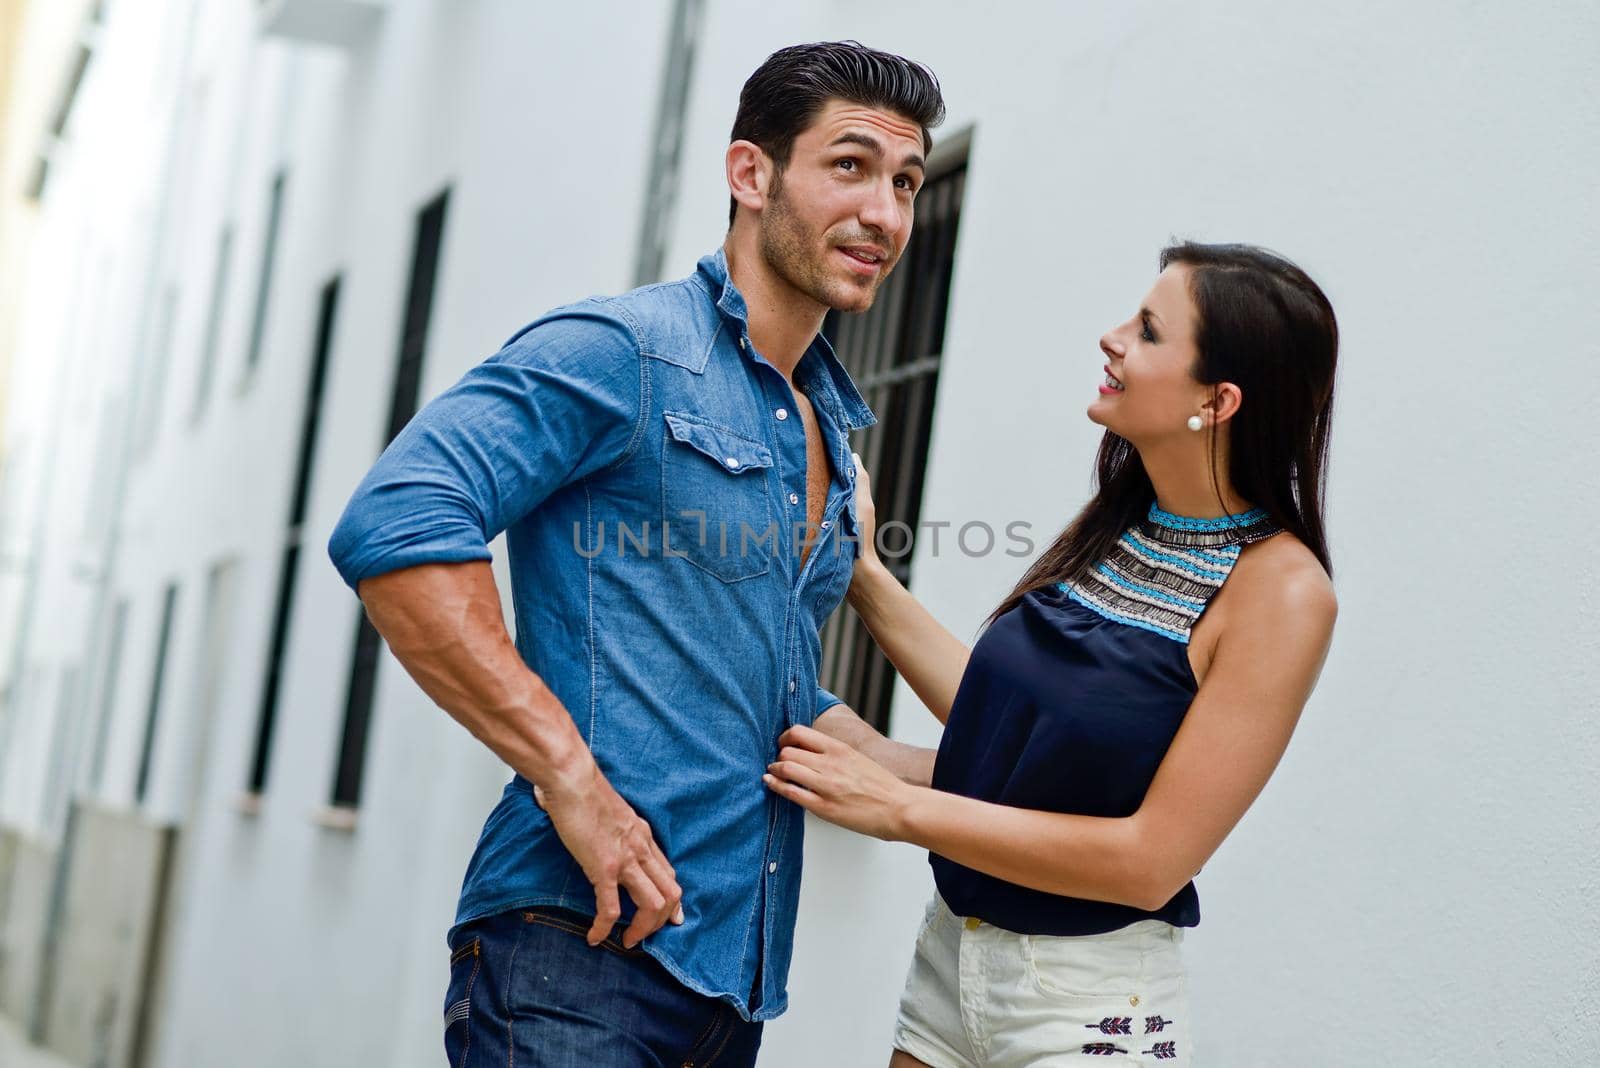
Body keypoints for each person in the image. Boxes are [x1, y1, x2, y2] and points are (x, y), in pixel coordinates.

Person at [326, 40, 944, 1068]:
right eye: (849, 166)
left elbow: (772, 697)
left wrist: (974, 781)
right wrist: (570, 777)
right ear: (750, 174)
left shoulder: (826, 432)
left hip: (724, 988)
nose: (885, 213)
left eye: (907, 183)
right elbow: (397, 521)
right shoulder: (623, 352)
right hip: (575, 953)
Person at [764, 242, 1340, 1066]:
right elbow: (1022, 726)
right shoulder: (1119, 523)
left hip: (1089, 1008)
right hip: (951, 961)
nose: (1111, 338)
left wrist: (897, 808)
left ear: (1217, 401)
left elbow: (1150, 860)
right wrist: (862, 579)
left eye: (1146, 332)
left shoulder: (1281, 593)